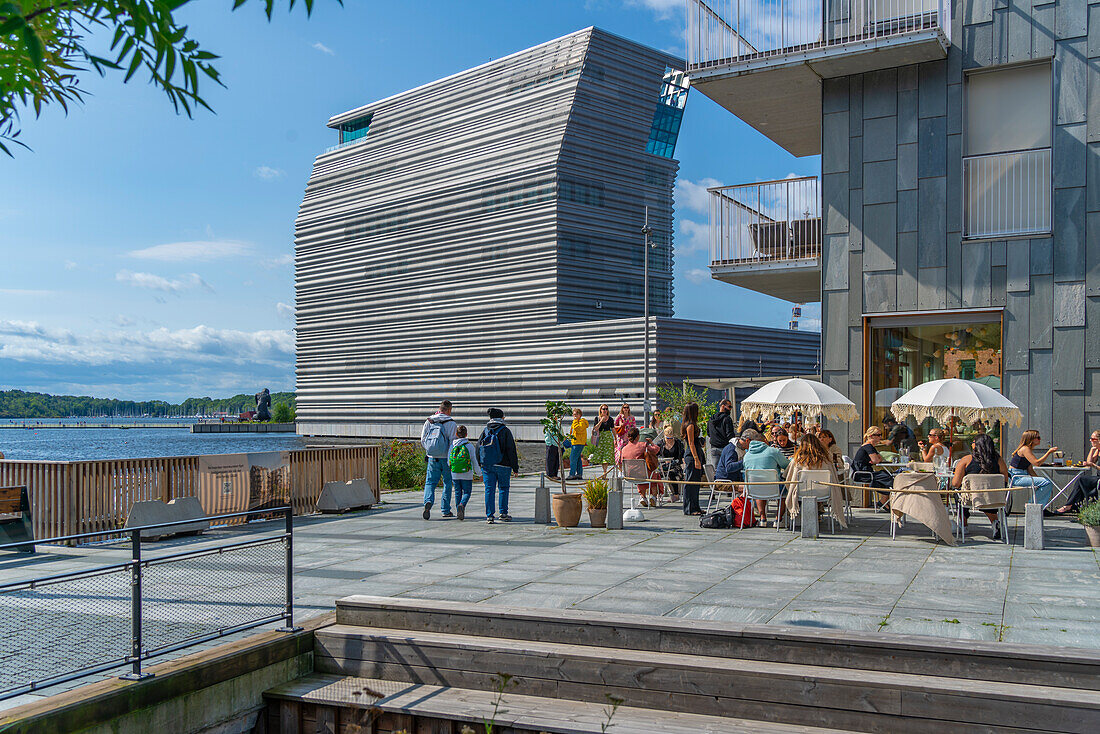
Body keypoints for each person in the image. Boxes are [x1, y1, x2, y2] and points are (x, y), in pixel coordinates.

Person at [951, 433, 1010, 539]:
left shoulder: (966, 460)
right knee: (988, 495)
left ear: (976, 445)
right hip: (994, 498)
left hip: (972, 499)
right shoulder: (999, 460)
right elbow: (1005, 480)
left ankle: (963, 524)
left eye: (973, 442)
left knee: (958, 493)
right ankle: (995, 521)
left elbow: (955, 483)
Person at [784, 433, 845, 529]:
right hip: (824, 492)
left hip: (802, 492)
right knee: (815, 488)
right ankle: (818, 512)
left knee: (795, 488)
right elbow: (834, 477)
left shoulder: (797, 460)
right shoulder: (827, 460)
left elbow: (789, 478)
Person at [478, 408, 520, 523]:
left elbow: (478, 447)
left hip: (487, 465)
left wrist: (479, 464)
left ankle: (490, 515)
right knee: (503, 488)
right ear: (501, 418)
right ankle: (503, 513)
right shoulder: (505, 430)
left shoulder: (486, 430)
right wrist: (515, 468)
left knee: (489, 489)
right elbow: (511, 450)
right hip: (504, 465)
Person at [742, 429, 791, 526]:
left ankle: (762, 518)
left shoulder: (746, 456)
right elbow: (786, 465)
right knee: (785, 490)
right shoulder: (773, 451)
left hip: (754, 490)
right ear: (765, 441)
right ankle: (778, 519)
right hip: (774, 488)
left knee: (759, 484)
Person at [421, 400, 458, 520]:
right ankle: (445, 510)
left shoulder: (429, 421)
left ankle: (428, 502)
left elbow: (423, 440)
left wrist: (430, 451)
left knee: (430, 482)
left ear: (440, 408)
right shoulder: (451, 423)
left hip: (432, 457)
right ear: (449, 410)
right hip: (446, 458)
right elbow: (453, 442)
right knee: (447, 483)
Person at [1008, 429, 1058, 510]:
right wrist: (1049, 452)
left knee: (1045, 483)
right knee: (1047, 483)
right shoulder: (1025, 449)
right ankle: (1032, 507)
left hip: (1023, 475)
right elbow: (1037, 463)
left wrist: (1038, 482)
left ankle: (1036, 507)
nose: (1040, 439)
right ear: (1031, 439)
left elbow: (1030, 470)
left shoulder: (1028, 450)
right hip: (1016, 477)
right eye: (1038, 437)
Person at [1055, 430, 1100, 514]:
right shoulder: (1098, 450)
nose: (1090, 440)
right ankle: (1073, 506)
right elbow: (1089, 462)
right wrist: (1092, 450)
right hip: (1098, 478)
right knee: (1081, 481)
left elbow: (1092, 465)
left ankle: (1070, 506)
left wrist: (1093, 465)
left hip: (1099, 479)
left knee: (1082, 480)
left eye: (1093, 439)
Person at [620, 427, 661, 506]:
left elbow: (621, 462)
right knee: (654, 474)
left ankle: (643, 497)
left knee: (638, 471)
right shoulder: (642, 445)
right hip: (644, 475)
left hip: (630, 476)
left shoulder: (624, 449)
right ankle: (653, 497)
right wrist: (652, 443)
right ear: (638, 436)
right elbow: (656, 450)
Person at [448, 425, 481, 521]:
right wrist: (479, 473)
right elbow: (474, 461)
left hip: (454, 473)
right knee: (467, 492)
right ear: (466, 434)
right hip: (467, 473)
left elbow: (448, 461)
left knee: (458, 492)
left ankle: (458, 509)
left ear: (456, 434)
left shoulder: (452, 446)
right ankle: (462, 505)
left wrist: (452, 469)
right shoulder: (469, 446)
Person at [681, 402, 705, 515]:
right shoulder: (690, 425)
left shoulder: (692, 424)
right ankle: (689, 508)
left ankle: (696, 506)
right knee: (690, 482)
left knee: (696, 482)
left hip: (696, 452)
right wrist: (696, 458)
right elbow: (690, 443)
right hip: (692, 455)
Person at [851, 426, 893, 490]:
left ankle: (883, 500)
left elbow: (880, 459)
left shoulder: (871, 447)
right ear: (871, 436)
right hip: (863, 474)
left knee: (885, 476)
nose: (880, 437)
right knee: (888, 477)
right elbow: (876, 460)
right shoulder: (868, 446)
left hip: (865, 473)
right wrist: (874, 460)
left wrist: (875, 460)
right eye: (878, 435)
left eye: (881, 435)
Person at [585, 404, 615, 473]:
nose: (605, 410)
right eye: (603, 409)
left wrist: (615, 439)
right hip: (600, 438)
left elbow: (613, 429)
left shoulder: (610, 419)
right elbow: (595, 429)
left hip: (608, 438)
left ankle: (605, 472)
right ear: (600, 410)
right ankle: (604, 472)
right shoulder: (597, 418)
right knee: (601, 455)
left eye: (606, 409)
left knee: (607, 456)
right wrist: (601, 421)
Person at [658, 424, 684, 499]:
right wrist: (663, 460)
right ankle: (657, 494)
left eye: (671, 438)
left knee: (672, 472)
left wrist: (679, 461)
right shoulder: (661, 443)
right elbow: (657, 454)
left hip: (675, 464)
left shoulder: (678, 443)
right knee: (656, 474)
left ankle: (675, 494)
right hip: (663, 465)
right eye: (668, 438)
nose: (669, 439)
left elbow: (681, 455)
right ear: (664, 436)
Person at [707, 399, 736, 467]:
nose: (730, 409)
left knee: (716, 470)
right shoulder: (727, 419)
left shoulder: (711, 419)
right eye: (729, 407)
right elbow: (730, 435)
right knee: (727, 468)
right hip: (725, 447)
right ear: (723, 406)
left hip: (714, 448)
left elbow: (708, 433)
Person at [567, 408, 589, 480]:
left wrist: (575, 421)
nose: (574, 416)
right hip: (575, 442)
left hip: (578, 443)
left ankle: (572, 474)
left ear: (580, 415)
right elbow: (573, 432)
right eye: (573, 414)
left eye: (576, 414)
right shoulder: (576, 421)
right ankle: (579, 474)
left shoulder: (582, 422)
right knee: (578, 458)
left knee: (573, 458)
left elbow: (578, 429)